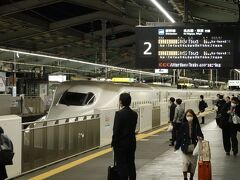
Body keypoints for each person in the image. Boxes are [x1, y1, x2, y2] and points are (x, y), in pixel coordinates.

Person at [111, 93, 138, 180]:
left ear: (121, 101)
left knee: (122, 166)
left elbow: (116, 131)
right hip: (131, 143)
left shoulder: (119, 114)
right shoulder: (134, 114)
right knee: (131, 164)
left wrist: (113, 143)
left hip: (121, 145)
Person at [175, 109, 204, 180]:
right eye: (187, 115)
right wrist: (177, 146)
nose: (189, 117)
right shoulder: (183, 125)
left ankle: (191, 177)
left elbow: (200, 134)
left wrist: (200, 137)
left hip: (194, 148)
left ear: (193, 116)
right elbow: (179, 137)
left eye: (190, 115)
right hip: (185, 147)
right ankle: (185, 178)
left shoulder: (196, 125)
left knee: (193, 164)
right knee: (185, 163)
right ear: (185, 116)